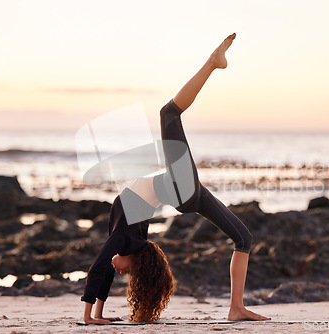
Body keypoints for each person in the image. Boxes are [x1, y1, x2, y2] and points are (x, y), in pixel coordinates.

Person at [81, 33, 270, 324]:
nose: (121, 271)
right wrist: (93, 315)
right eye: (129, 273)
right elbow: (102, 267)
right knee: (169, 113)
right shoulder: (129, 239)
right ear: (137, 258)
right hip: (180, 188)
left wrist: (95, 315)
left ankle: (236, 308)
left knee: (243, 237)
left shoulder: (124, 237)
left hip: (184, 192)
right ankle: (212, 62)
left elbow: (100, 268)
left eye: (125, 271)